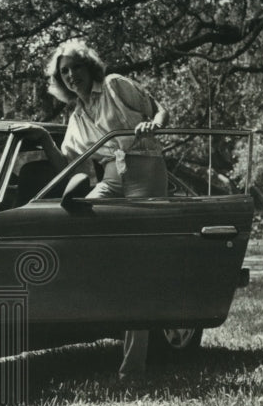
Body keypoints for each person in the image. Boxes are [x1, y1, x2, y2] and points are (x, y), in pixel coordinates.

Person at [19, 39, 170, 381]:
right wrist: (42, 138)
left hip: (145, 168)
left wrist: (154, 124)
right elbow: (70, 166)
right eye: (65, 72)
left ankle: (132, 369)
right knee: (78, 223)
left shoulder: (115, 85)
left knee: (138, 268)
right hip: (113, 177)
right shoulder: (76, 116)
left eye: (76, 67)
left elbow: (158, 108)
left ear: (90, 67)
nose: (72, 76)